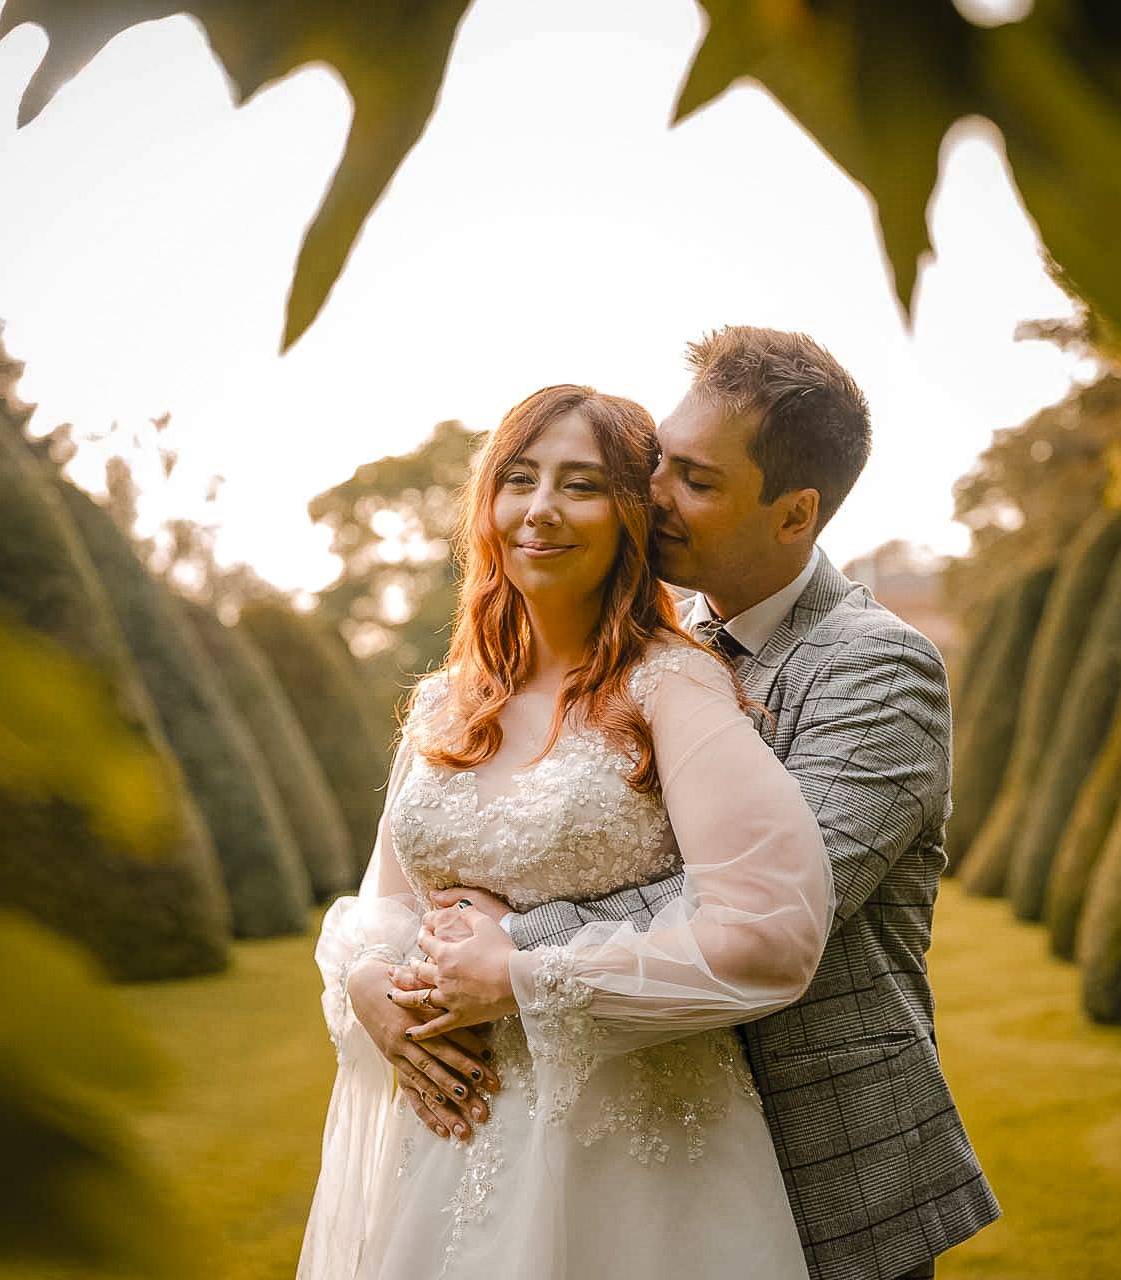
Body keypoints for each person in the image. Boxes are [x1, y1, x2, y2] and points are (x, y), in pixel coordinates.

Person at [393, 328, 1000, 1280]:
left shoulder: (878, 668)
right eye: (660, 465)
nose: (656, 498)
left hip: (823, 1158)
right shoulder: (653, 655)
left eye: (698, 482)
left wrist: (502, 946)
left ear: (795, 515)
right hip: (618, 1135)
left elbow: (780, 900)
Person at [299, 383, 836, 1279]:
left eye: (581, 485)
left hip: (627, 1165)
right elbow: (387, 905)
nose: (540, 510)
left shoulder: (673, 687)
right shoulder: (444, 702)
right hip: (440, 1153)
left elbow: (769, 929)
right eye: (520, 478)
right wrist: (368, 985)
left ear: (634, 517)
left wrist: (521, 977)